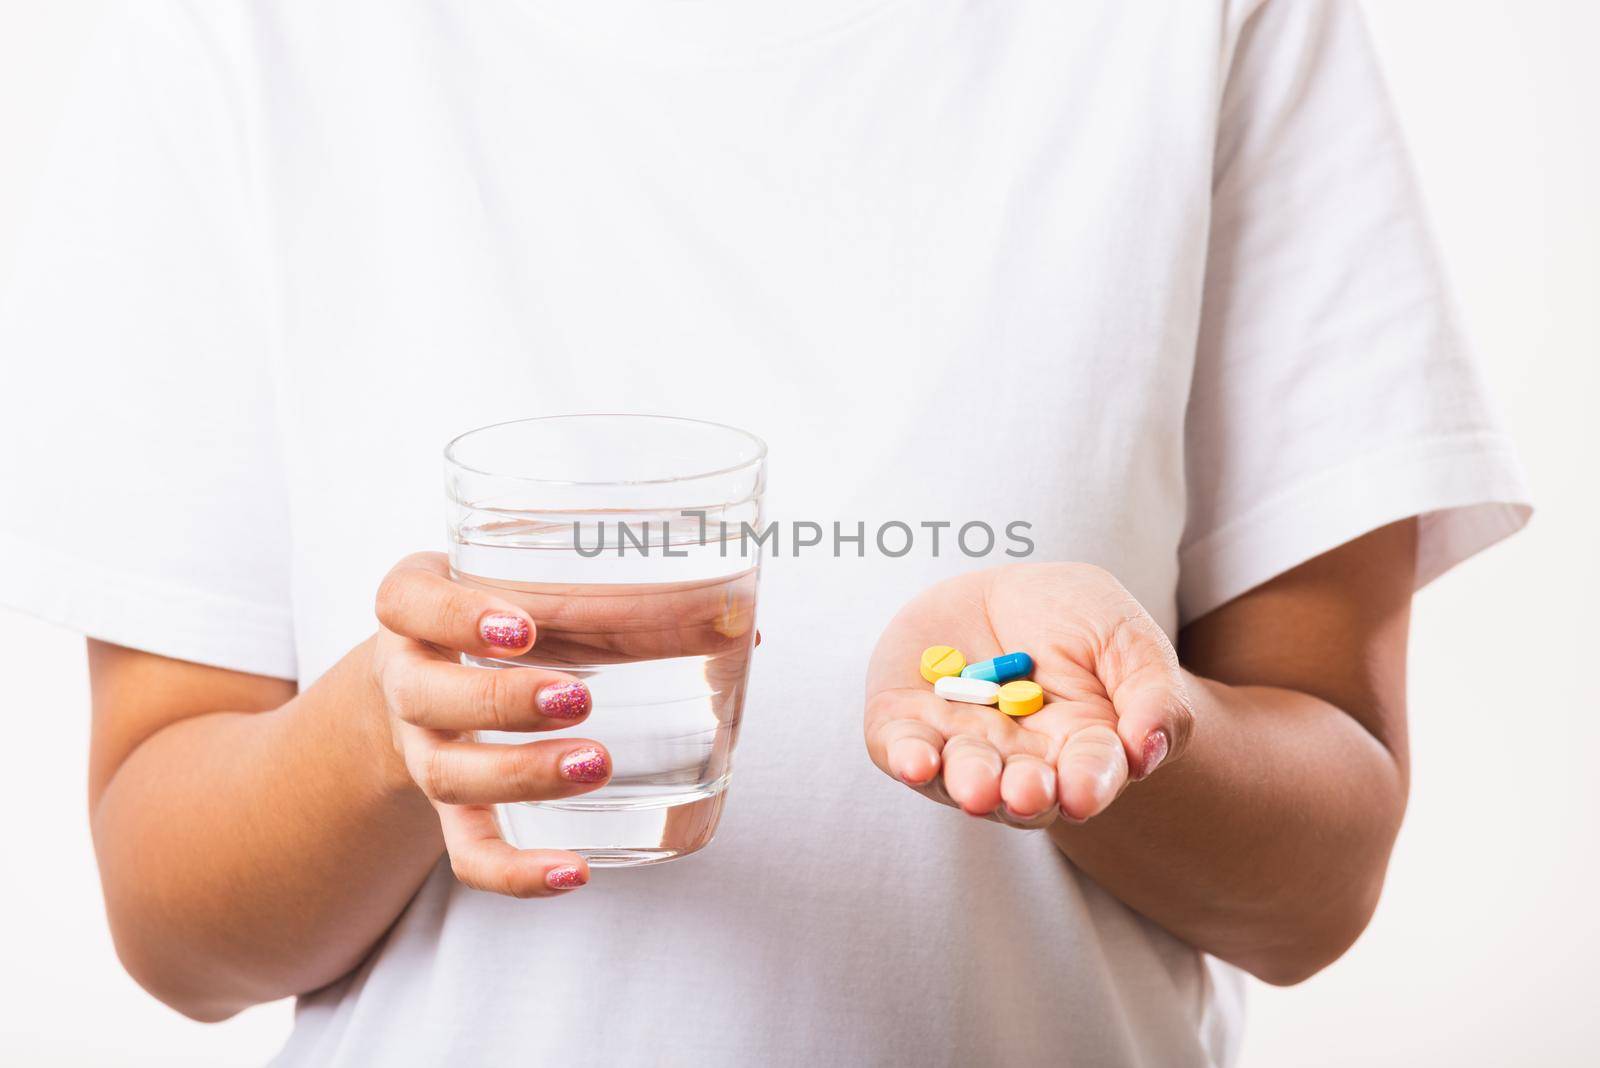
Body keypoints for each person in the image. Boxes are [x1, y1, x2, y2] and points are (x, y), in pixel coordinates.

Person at [0, 1, 1530, 1065]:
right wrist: (391, 734)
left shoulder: (1199, 21)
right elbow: (175, 930)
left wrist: (1110, 730)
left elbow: (1317, 888)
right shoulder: (240, 32)